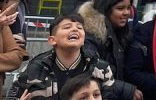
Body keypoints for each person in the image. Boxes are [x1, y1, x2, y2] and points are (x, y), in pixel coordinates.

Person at [8, 13, 139, 100]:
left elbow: (109, 96)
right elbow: (13, 95)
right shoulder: (35, 68)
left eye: (79, 27)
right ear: (52, 40)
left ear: (83, 39)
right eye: (67, 27)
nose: (75, 29)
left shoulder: (100, 68)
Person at [78, 0, 135, 83]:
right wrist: (127, 90)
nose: (126, 13)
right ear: (106, 8)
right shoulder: (90, 35)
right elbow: (91, 74)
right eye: (120, 8)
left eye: (128, 8)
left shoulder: (123, 32)